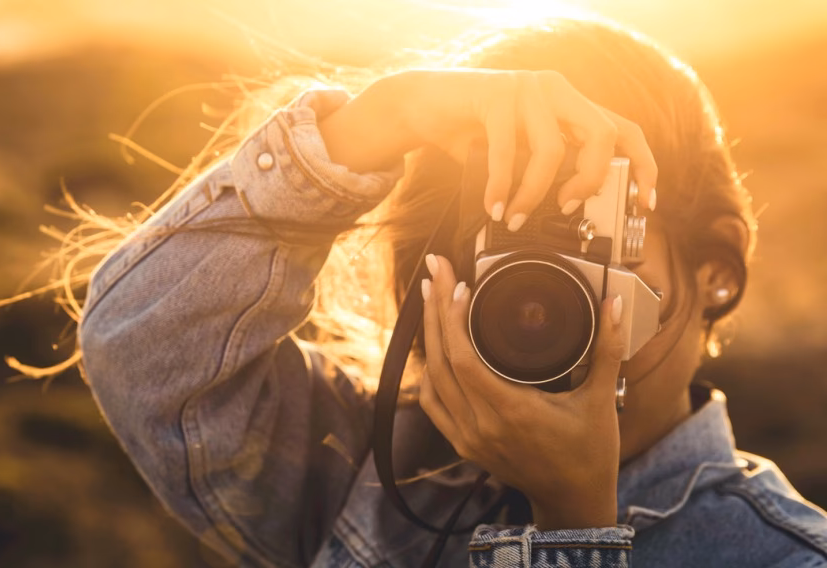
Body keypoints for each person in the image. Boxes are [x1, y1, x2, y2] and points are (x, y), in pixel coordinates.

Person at [63, 16, 827, 568]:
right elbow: (142, 349)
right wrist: (378, 120)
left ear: (715, 269)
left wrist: (571, 523)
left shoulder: (780, 557)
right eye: (508, 271)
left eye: (598, 271)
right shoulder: (370, 469)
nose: (549, 311)